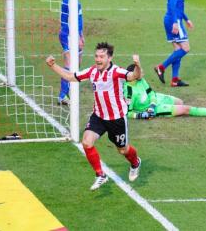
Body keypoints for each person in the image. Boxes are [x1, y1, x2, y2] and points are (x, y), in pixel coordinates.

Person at [44, 42, 143, 190]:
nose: (98, 59)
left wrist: (137, 64)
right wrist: (53, 66)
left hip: (116, 119)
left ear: (110, 58)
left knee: (123, 150)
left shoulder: (116, 72)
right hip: (99, 116)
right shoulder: (92, 72)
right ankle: (100, 175)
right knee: (86, 142)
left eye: (102, 56)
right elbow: (71, 77)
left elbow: (134, 76)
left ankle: (135, 163)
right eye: (96, 56)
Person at [125, 67, 206, 119]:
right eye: (141, 71)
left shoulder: (141, 80)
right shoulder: (129, 92)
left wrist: (152, 104)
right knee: (186, 109)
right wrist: (141, 115)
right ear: (134, 74)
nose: (143, 73)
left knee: (179, 102)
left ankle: (165, 107)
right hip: (153, 109)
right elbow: (127, 113)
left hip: (156, 100)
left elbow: (151, 93)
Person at [154, 0, 194, 87]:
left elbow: (179, 7)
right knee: (186, 48)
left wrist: (186, 19)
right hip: (173, 20)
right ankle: (161, 67)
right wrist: (176, 22)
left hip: (172, 19)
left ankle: (175, 79)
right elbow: (172, 4)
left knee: (177, 50)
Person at [58, 0, 84, 105]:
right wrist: (78, 37)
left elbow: (78, 21)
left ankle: (69, 88)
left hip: (70, 34)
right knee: (69, 63)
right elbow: (73, 21)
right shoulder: (73, 1)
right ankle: (62, 95)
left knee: (77, 61)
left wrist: (81, 34)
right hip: (69, 35)